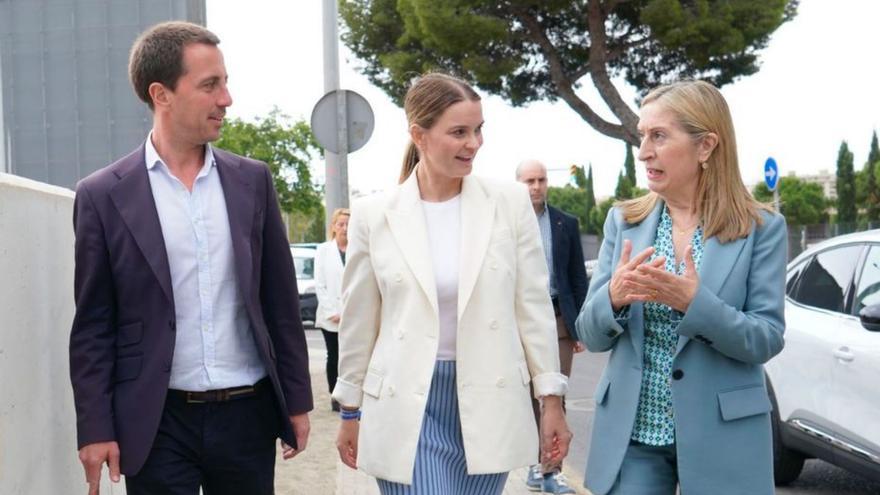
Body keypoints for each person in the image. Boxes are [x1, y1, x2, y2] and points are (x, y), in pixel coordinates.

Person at [69, 21, 312, 495]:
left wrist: (298, 401)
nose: (227, 99)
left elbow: (280, 301)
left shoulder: (253, 182)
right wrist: (95, 426)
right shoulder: (101, 196)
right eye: (210, 85)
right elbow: (94, 324)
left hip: (248, 415)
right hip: (155, 422)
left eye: (224, 82)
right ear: (161, 94)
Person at [332, 72, 572, 494]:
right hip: (407, 403)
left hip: (488, 399)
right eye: (459, 132)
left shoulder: (509, 204)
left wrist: (551, 400)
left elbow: (532, 307)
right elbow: (359, 320)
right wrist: (349, 411)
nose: (474, 143)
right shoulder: (374, 214)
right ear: (419, 135)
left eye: (478, 130)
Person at [575, 80, 787, 495]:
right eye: (642, 136)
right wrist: (613, 298)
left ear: (706, 146)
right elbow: (588, 334)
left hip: (723, 440)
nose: (643, 152)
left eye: (659, 136)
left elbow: (765, 339)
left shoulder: (762, 229)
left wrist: (695, 303)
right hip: (634, 438)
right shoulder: (624, 221)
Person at [515, 160, 588, 494]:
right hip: (516, 320)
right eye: (529, 180)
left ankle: (550, 471)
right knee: (528, 394)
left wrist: (580, 327)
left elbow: (576, 277)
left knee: (554, 394)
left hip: (558, 318)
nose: (536, 186)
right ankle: (534, 461)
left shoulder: (565, 223)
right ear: (517, 183)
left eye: (541, 179)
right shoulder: (506, 222)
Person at [314, 208, 350, 412]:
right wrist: (331, 312)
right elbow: (320, 284)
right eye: (341, 224)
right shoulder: (323, 250)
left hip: (352, 315)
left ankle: (350, 395)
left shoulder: (358, 248)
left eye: (348, 224)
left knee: (351, 356)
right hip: (331, 317)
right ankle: (335, 395)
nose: (345, 228)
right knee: (334, 355)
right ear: (334, 227)